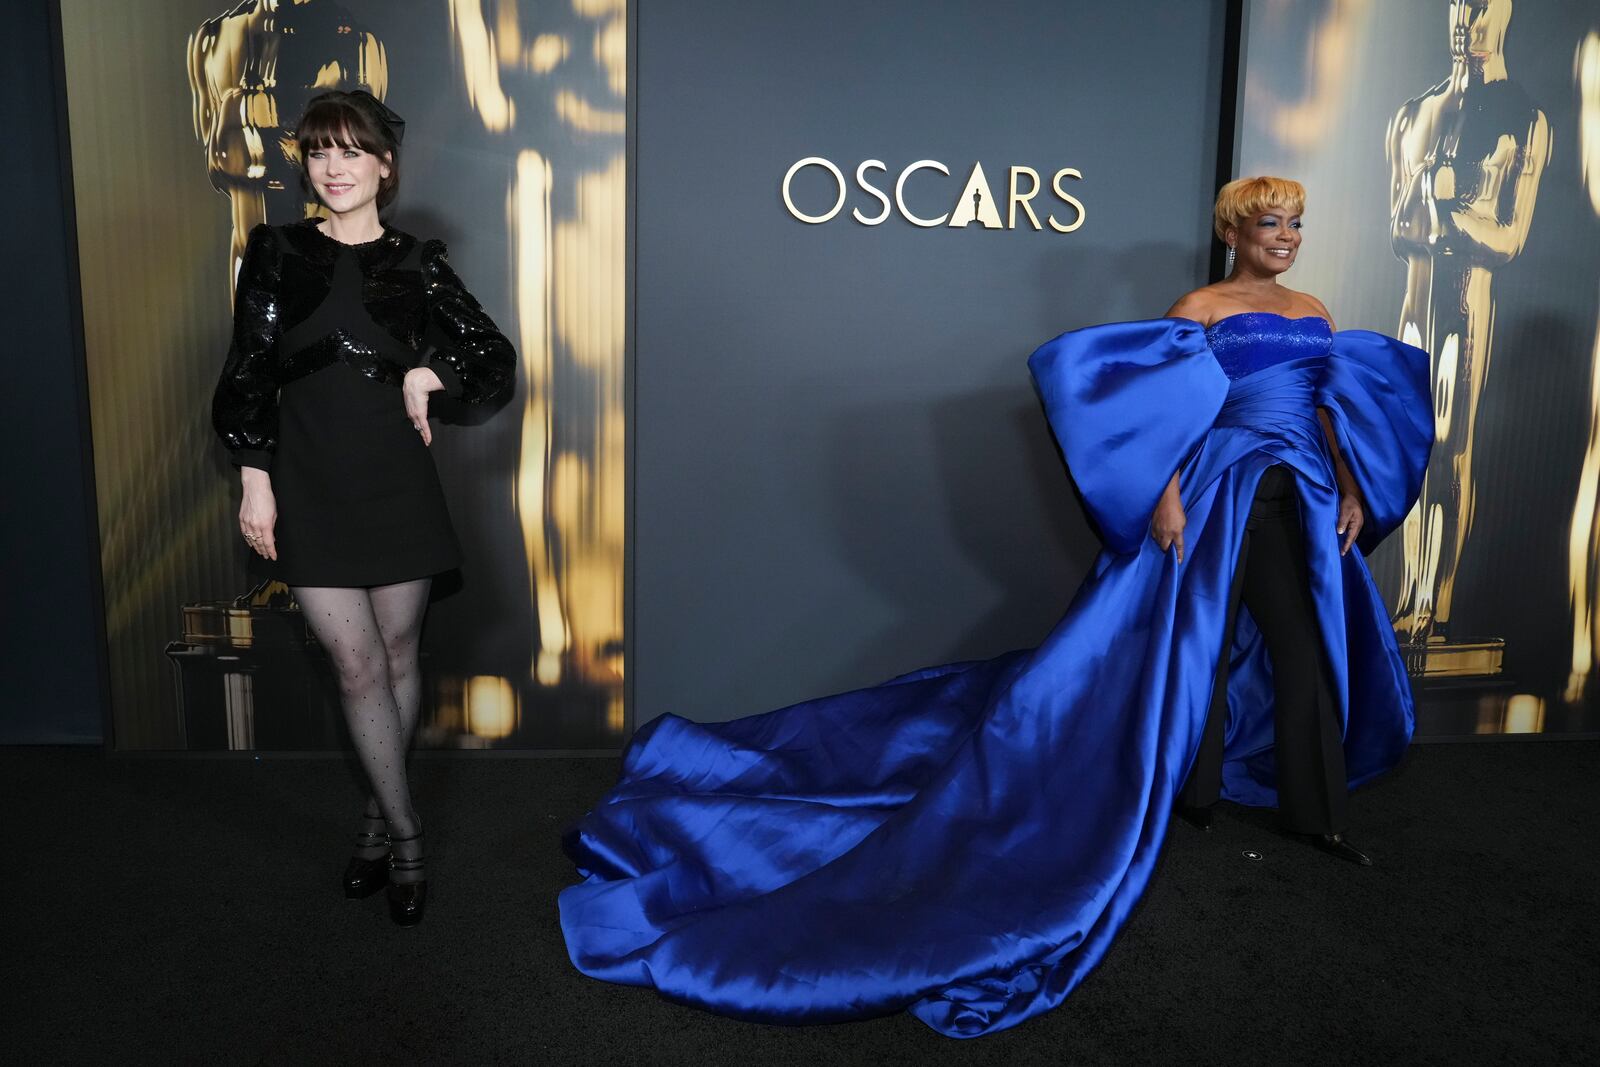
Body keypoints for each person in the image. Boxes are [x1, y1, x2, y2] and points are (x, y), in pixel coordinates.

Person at [558, 176, 1430, 1036]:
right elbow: (1156, 413)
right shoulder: (1198, 305)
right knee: (1187, 648)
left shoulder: (1314, 309)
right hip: (1213, 493)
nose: (1288, 236)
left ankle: (1315, 817)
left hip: (1307, 497)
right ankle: (1186, 795)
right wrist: (1162, 493)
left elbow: (1329, 411)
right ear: (1235, 233)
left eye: (1297, 223)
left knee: (1306, 648)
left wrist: (1352, 485)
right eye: (1272, 223)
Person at [212, 90, 515, 927]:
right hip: (307, 485)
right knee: (355, 666)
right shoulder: (274, 252)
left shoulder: (418, 263)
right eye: (318, 152)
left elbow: (493, 356)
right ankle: (411, 832)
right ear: (306, 166)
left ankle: (377, 823)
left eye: (351, 151)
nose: (334, 167)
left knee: (396, 654)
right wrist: (254, 477)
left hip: (396, 487)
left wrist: (434, 374)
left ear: (385, 163)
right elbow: (249, 373)